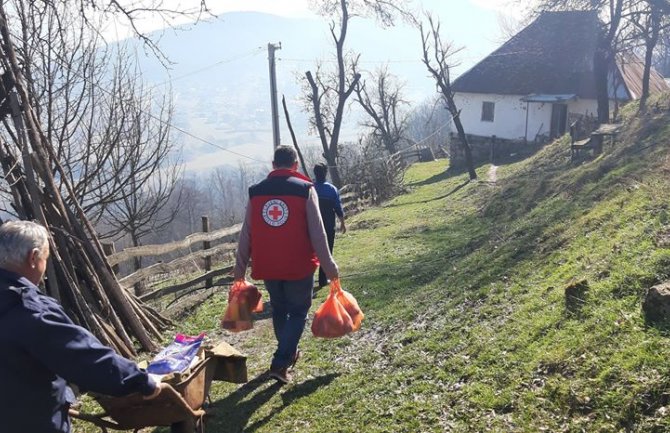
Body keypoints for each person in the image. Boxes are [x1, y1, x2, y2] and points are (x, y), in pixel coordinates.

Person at [0, 220, 164, 433]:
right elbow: (83, 357)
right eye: (45, 259)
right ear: (33, 258)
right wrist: (142, 381)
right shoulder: (29, 310)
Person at [233, 145, 339, 384]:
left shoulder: (256, 192)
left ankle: (288, 353)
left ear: (273, 165)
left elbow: (246, 233)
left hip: (268, 265)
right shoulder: (304, 190)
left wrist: (239, 268)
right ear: (295, 166)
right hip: (298, 264)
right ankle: (280, 363)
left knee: (280, 309)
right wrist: (330, 268)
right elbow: (318, 234)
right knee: (299, 311)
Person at [312, 162, 346, 290]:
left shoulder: (310, 188)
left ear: (315, 173)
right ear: (325, 173)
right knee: (327, 252)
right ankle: (322, 279)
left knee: (310, 253)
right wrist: (342, 222)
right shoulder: (331, 189)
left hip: (311, 227)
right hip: (328, 226)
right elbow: (338, 208)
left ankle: (308, 281)